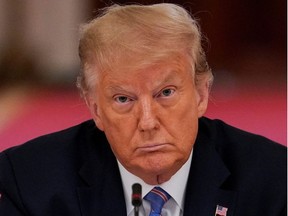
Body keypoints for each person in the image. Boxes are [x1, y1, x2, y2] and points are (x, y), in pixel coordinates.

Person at [0, 3, 286, 216]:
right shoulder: (27, 182)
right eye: (124, 99)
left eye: (166, 93)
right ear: (95, 108)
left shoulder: (274, 180)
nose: (148, 122)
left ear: (201, 94)